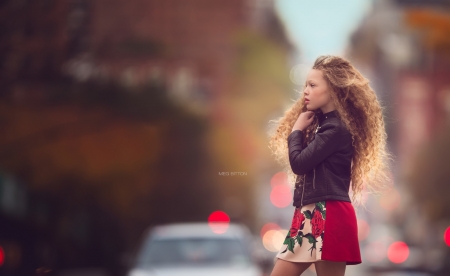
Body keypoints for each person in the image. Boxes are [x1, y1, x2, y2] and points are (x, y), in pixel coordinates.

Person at [268, 55, 393, 276]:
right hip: (313, 213)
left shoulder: (335, 129)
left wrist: (296, 131)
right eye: (305, 84)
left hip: (328, 214)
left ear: (333, 90)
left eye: (313, 85)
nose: (305, 90)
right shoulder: (325, 127)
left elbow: (299, 163)